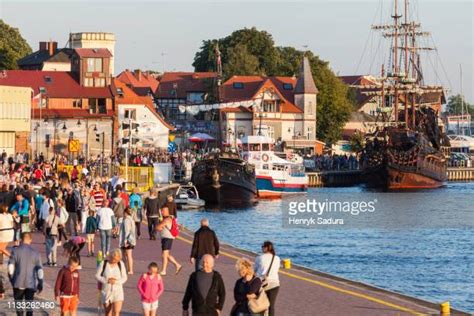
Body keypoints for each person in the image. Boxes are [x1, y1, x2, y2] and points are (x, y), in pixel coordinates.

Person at [8, 232, 44, 316]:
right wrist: (40, 283)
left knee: (19, 307)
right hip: (30, 284)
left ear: (21, 239)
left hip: (18, 283)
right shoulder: (36, 253)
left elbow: (10, 268)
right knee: (29, 308)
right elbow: (39, 270)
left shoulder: (15, 251)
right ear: (30, 240)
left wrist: (12, 280)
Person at [96, 248, 128, 316]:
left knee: (116, 312)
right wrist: (106, 280)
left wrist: (116, 281)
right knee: (108, 313)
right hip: (106, 291)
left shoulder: (121, 264)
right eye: (114, 259)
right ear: (110, 256)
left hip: (118, 291)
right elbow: (97, 276)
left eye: (117, 259)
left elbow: (124, 277)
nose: (115, 261)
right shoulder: (103, 263)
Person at [254, 241, 280, 316]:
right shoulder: (277, 258)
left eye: (262, 246)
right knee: (271, 306)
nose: (261, 248)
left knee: (261, 304)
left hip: (262, 284)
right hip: (275, 284)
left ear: (266, 248)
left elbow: (254, 270)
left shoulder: (259, 258)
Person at [156, 207, 182, 276]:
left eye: (163, 211)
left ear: (167, 211)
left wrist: (159, 225)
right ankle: (177, 265)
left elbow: (157, 227)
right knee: (166, 255)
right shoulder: (169, 218)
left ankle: (164, 271)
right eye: (161, 211)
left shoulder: (167, 219)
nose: (162, 212)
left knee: (164, 255)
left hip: (167, 238)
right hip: (167, 238)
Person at [119, 207, 136, 274]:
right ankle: (127, 269)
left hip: (127, 240)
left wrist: (126, 241)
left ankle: (129, 269)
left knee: (127, 255)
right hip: (131, 239)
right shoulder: (131, 219)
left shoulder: (126, 220)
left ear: (125, 212)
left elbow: (127, 231)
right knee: (127, 255)